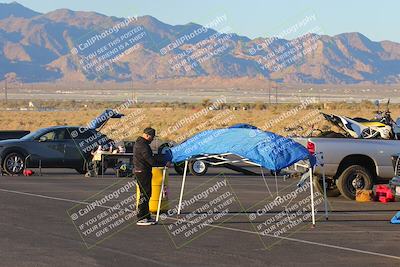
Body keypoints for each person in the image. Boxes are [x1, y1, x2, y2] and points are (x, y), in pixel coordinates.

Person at [133, 127, 169, 226]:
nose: (153, 139)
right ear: (147, 135)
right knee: (145, 194)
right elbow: (150, 160)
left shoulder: (141, 143)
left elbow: (151, 158)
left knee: (147, 194)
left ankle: (146, 216)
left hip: (142, 171)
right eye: (152, 137)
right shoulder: (143, 145)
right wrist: (162, 163)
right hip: (142, 172)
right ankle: (141, 217)